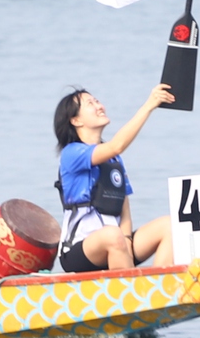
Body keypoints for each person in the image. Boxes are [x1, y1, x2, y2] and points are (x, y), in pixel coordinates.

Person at [52, 84, 176, 272]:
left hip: (118, 243)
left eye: (97, 101)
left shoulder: (113, 160)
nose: (99, 106)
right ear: (76, 120)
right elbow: (116, 145)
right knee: (112, 235)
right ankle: (129, 295)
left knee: (170, 225)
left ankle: (161, 289)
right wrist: (149, 105)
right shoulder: (72, 153)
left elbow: (124, 206)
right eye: (90, 104)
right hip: (80, 250)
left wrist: (127, 239)